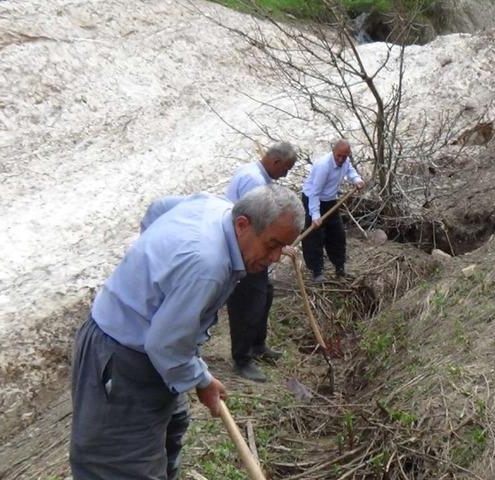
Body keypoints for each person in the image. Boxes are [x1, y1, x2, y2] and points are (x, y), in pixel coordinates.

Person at [70, 185, 304, 480]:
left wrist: (157, 270)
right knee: (120, 464)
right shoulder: (207, 266)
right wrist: (202, 380)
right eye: (272, 244)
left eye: (283, 247)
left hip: (152, 351)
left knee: (172, 428)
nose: (276, 258)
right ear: (243, 225)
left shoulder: (215, 208)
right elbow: (166, 345)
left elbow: (158, 208)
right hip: (120, 355)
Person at [225, 142, 297, 382]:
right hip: (247, 253)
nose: (285, 175)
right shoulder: (254, 181)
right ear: (276, 162)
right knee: (248, 304)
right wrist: (278, 246)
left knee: (265, 295)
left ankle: (258, 345)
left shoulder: (258, 177)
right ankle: (242, 359)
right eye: (285, 169)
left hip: (256, 250)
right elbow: (254, 225)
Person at [300, 139, 365, 282]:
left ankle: (339, 268)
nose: (341, 159)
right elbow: (314, 193)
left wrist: (357, 180)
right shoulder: (323, 166)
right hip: (313, 199)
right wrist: (315, 215)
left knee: (338, 233)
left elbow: (350, 171)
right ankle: (317, 271)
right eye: (338, 156)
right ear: (333, 152)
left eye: (344, 156)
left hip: (330, 200)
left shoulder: (345, 161)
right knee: (314, 236)